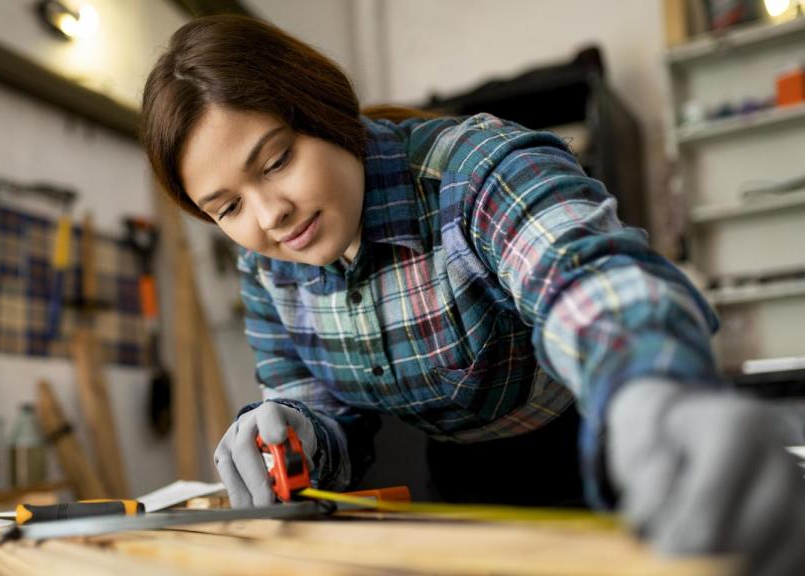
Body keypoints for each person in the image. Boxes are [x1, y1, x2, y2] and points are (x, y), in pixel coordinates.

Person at [140, 14, 805, 574]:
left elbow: (584, 279)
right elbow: (325, 410)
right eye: (227, 207)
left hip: (599, 446)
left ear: (326, 110)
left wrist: (649, 389)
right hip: (456, 483)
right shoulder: (265, 267)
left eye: (277, 160)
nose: (270, 216)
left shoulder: (475, 170)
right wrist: (292, 435)